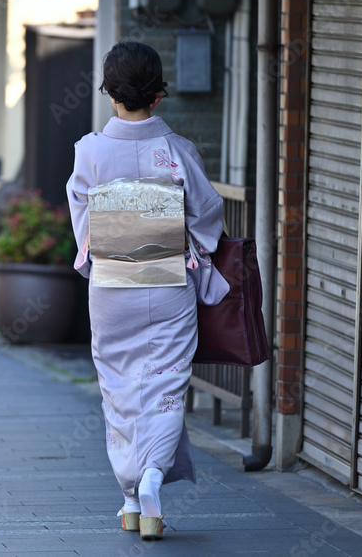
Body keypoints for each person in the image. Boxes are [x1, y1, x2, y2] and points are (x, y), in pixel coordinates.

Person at [66, 42, 230, 540]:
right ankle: (153, 478)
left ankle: (129, 496)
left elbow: (83, 219)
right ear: (157, 95)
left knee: (118, 388)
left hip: (113, 285)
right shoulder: (177, 151)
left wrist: (103, 249)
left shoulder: (89, 151)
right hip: (168, 283)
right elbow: (206, 214)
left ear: (110, 92)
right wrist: (191, 246)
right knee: (164, 385)